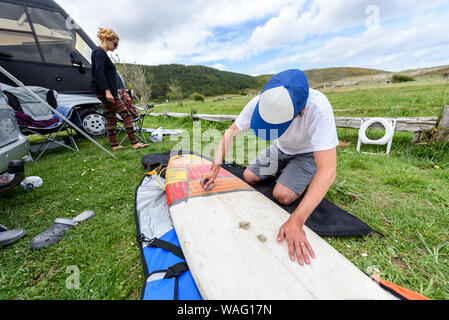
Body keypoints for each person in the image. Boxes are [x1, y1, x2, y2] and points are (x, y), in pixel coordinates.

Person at [200, 69, 339, 266]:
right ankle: (290, 173)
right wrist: (215, 168)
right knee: (248, 176)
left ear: (300, 111)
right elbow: (230, 133)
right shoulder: (260, 101)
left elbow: (328, 171)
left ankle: (301, 174)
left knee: (282, 195)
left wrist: (297, 220)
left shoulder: (318, 108)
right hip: (280, 147)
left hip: (308, 153)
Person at [91, 28, 148, 151]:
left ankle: (115, 145)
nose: (116, 47)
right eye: (115, 44)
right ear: (107, 40)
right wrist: (107, 92)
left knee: (111, 117)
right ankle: (135, 143)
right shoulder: (99, 52)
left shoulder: (100, 52)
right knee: (126, 115)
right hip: (106, 92)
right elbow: (99, 73)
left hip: (105, 92)